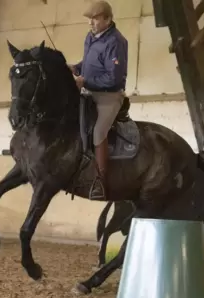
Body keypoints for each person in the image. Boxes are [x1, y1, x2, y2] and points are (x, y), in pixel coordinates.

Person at [68, 0, 128, 201]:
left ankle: (100, 181)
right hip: (89, 93)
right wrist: (75, 68)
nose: (90, 23)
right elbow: (90, 62)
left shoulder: (117, 42)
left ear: (108, 19)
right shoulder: (91, 38)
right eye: (89, 20)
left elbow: (114, 77)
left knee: (98, 131)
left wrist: (85, 80)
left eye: (94, 19)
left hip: (109, 96)